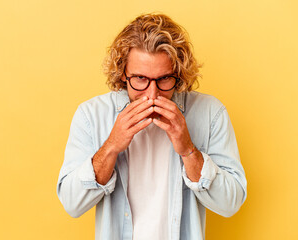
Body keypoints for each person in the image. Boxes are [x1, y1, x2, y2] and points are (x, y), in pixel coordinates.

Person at [57, 13, 247, 240]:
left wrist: (188, 150)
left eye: (164, 79)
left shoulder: (210, 113)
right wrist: (111, 146)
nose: (152, 94)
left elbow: (231, 204)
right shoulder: (91, 115)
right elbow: (71, 204)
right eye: (139, 79)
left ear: (179, 73)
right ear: (122, 74)